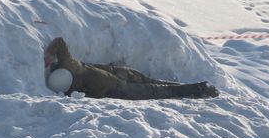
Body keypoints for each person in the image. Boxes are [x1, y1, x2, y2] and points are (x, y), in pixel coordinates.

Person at [43, 37, 219, 100]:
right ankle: (200, 87)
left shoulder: (72, 85)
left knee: (158, 91)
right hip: (119, 73)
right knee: (155, 84)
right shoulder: (71, 66)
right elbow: (59, 43)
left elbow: (59, 42)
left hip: (119, 86)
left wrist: (50, 54)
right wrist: (51, 54)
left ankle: (200, 89)